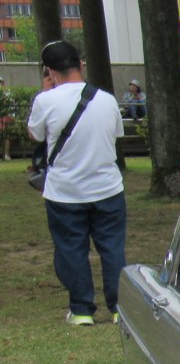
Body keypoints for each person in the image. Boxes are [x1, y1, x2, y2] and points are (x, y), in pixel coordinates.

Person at [27, 40, 126, 326]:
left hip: (65, 191)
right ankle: (120, 306)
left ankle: (82, 309)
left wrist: (47, 92)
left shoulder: (46, 100)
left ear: (50, 72)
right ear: (80, 65)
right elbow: (115, 134)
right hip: (107, 187)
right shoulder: (106, 99)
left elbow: (34, 135)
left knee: (71, 248)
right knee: (112, 247)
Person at [0, 76, 13, 160]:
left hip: (6, 117)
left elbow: (11, 109)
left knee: (6, 133)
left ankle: (6, 154)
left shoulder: (7, 93)